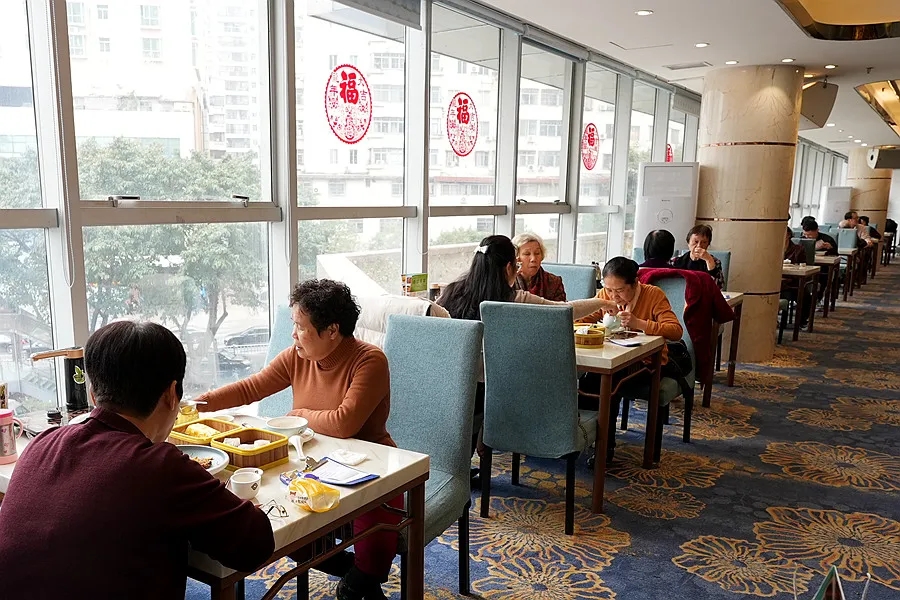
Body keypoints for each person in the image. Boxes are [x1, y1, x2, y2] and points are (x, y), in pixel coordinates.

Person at [0, 321, 275, 599]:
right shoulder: (160, 466)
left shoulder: (41, 443)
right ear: (172, 394)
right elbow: (255, 545)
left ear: (93, 394)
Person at [197, 279, 397, 600]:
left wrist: (298, 415)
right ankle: (352, 572)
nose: (293, 334)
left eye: (301, 327)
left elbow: (344, 423)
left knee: (374, 543)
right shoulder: (297, 355)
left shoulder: (369, 360)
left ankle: (361, 579)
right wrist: (199, 404)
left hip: (371, 467)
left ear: (332, 331)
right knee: (282, 525)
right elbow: (251, 387)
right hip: (316, 464)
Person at [436, 235, 617, 484]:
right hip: (496, 391)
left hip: (452, 382)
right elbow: (564, 311)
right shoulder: (514, 299)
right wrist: (601, 302)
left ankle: (457, 472)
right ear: (509, 267)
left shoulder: (451, 292)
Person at [577, 257, 684, 463]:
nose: (613, 296)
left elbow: (675, 331)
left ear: (635, 283)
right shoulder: (605, 296)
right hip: (615, 357)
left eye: (619, 291)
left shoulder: (653, 295)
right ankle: (585, 437)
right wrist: (596, 310)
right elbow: (580, 320)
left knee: (609, 382)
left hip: (648, 363)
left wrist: (639, 323)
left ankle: (605, 447)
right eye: (608, 290)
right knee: (589, 381)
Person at [512, 232, 566, 301]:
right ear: (516, 258)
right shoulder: (506, 282)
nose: (533, 259)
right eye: (527, 254)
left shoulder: (554, 282)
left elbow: (562, 307)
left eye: (537, 253)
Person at [670, 224, 726, 289]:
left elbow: (718, 287)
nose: (699, 245)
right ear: (688, 242)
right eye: (696, 242)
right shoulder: (675, 261)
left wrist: (709, 261)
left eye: (704, 242)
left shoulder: (715, 262)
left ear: (708, 244)